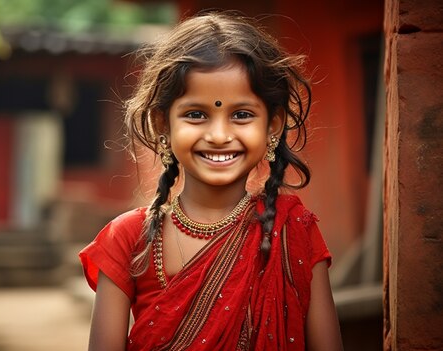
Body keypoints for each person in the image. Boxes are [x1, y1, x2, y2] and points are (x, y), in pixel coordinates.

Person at [79, 11, 343, 351]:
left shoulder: (294, 230)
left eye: (242, 115)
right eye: (196, 114)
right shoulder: (128, 239)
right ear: (163, 124)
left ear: (273, 126)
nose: (219, 135)